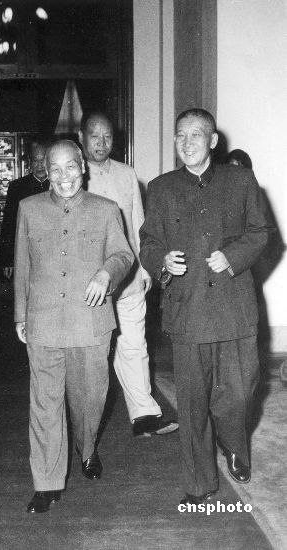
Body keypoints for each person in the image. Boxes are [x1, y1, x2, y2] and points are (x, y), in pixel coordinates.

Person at [139, 108, 268, 505]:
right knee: (193, 404)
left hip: (233, 308)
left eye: (196, 134)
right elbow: (148, 242)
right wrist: (162, 261)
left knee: (239, 394)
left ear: (212, 141)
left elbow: (260, 232)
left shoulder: (241, 181)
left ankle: (234, 444)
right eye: (181, 135)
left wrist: (233, 256)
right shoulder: (161, 188)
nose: (187, 142)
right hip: (188, 309)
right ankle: (199, 484)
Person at [14, 140, 133, 513]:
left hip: (90, 322)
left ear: (83, 167)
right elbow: (23, 266)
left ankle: (88, 447)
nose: (63, 177)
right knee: (45, 404)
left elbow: (123, 255)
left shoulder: (106, 209)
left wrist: (106, 273)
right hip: (44, 321)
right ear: (45, 172)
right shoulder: (29, 208)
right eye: (55, 169)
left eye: (70, 167)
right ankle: (47, 483)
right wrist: (20, 314)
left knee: (90, 399)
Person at [79, 112, 178, 437]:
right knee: (93, 353)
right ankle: (85, 423)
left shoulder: (127, 174)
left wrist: (146, 269)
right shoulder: (74, 174)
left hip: (130, 277)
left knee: (135, 345)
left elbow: (139, 225)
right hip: (90, 281)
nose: (101, 143)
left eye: (107, 136)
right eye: (94, 136)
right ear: (82, 137)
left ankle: (144, 414)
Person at [0, 138, 50, 279]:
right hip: (26, 252)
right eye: (35, 160)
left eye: (43, 160)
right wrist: (7, 260)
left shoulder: (59, 184)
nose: (39, 165)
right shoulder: (17, 187)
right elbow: (9, 225)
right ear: (29, 161)